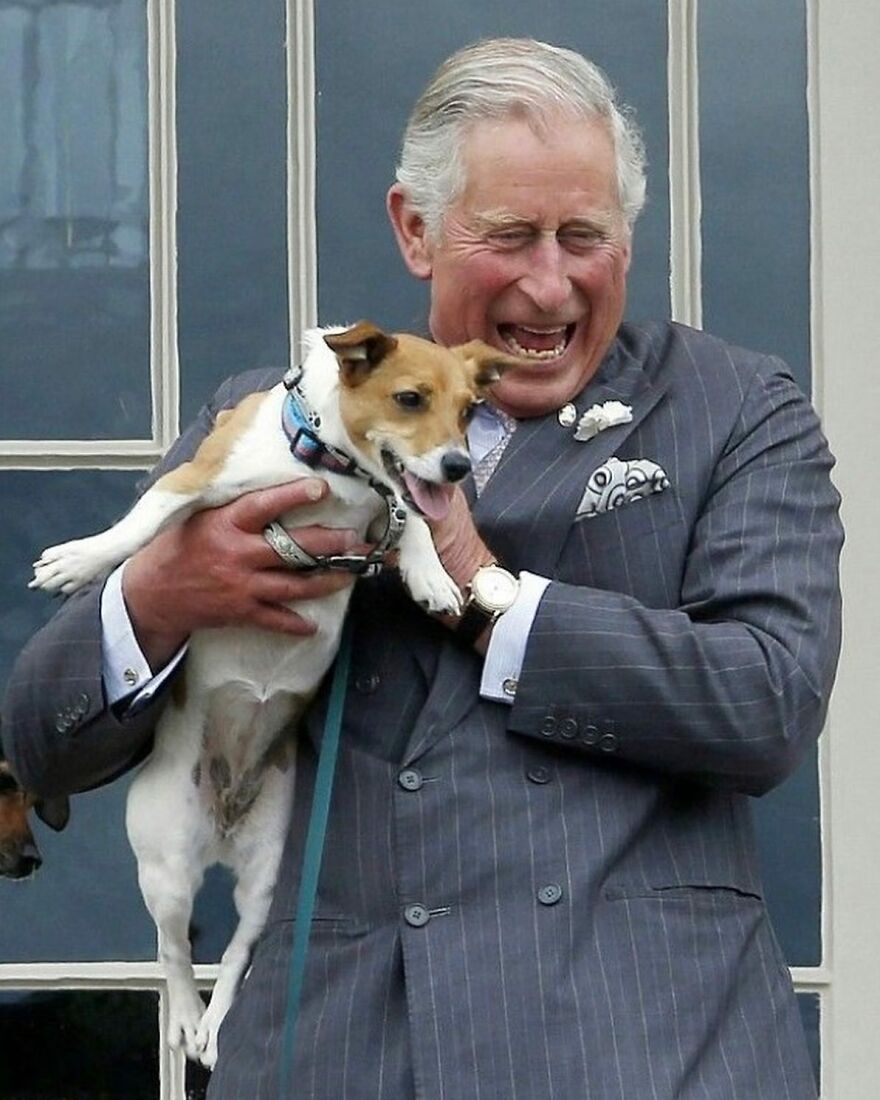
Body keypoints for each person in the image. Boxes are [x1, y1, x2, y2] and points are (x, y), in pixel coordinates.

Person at [3, 37, 842, 1100]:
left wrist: (483, 589)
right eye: (510, 236)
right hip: (342, 1055)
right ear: (415, 229)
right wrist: (163, 593)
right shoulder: (279, 419)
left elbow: (764, 698)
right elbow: (41, 737)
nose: (551, 282)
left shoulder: (731, 406)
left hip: (646, 1050)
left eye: (585, 235)